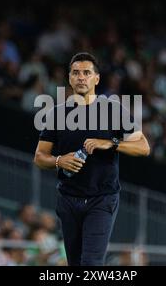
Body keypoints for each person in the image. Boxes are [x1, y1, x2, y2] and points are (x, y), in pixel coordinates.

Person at [33, 52, 150, 266]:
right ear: (69, 78)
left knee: (91, 264)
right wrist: (59, 161)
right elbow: (39, 157)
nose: (81, 77)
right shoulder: (57, 113)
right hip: (68, 198)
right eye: (76, 73)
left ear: (96, 79)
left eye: (87, 72)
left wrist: (112, 144)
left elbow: (143, 147)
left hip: (101, 198)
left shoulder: (112, 110)